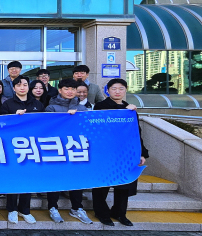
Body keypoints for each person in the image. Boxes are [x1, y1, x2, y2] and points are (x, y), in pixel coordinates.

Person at [92, 79, 148, 227]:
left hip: (125, 153)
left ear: (125, 90)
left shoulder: (130, 110)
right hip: (106, 152)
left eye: (121, 88)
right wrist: (124, 110)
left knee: (124, 184)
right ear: (107, 90)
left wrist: (141, 153)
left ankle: (119, 212)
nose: (117, 91)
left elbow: (136, 133)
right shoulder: (101, 106)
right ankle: (101, 213)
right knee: (102, 184)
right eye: (114, 88)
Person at [44, 79, 93, 225]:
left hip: (75, 149)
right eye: (66, 88)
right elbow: (47, 127)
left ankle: (77, 208)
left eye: (73, 89)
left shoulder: (82, 109)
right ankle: (53, 207)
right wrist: (66, 118)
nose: (70, 91)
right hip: (56, 149)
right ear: (60, 90)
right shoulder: (51, 108)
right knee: (55, 179)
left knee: (76, 179)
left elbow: (87, 129)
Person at [0, 76, 42, 224]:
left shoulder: (37, 104)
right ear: (14, 88)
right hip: (12, 147)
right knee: (13, 178)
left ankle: (25, 210)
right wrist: (14, 118)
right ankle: (11, 209)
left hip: (31, 147)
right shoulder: (8, 104)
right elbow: (2, 125)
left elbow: (44, 124)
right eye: (19, 85)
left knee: (28, 178)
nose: (22, 87)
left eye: (25, 84)